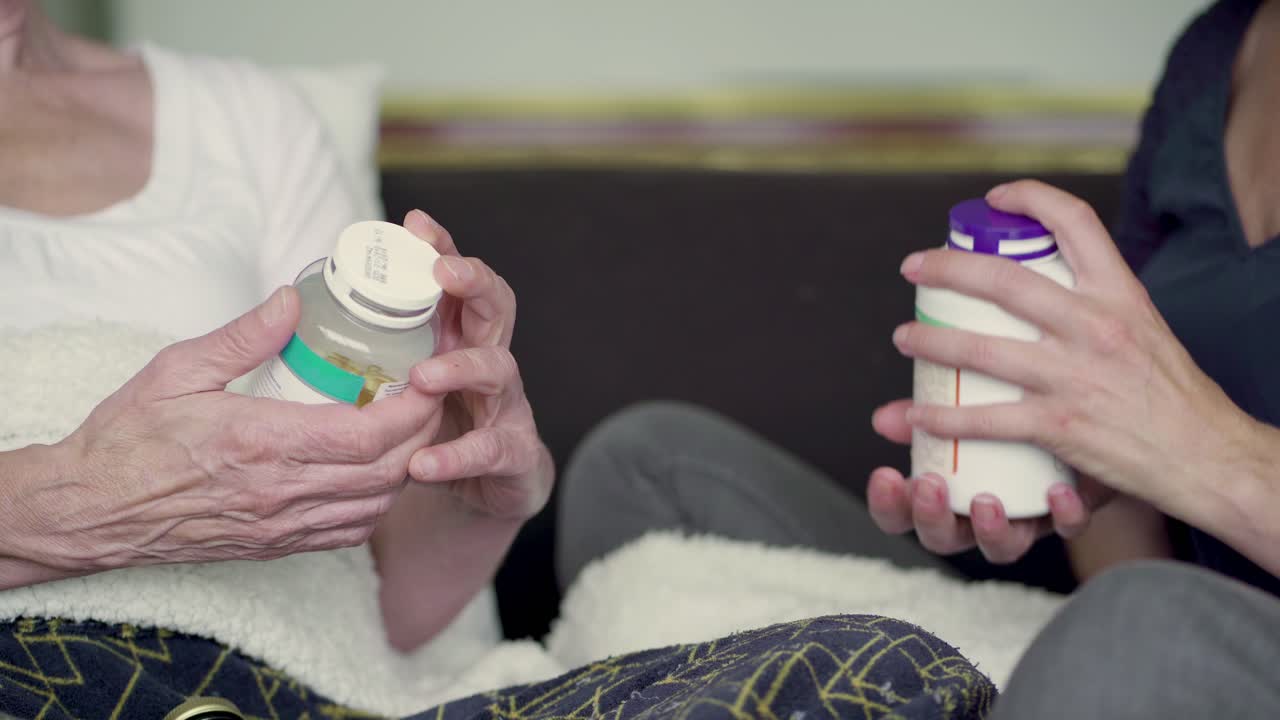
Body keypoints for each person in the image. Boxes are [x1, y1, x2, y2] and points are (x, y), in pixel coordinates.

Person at [558, 0, 1280, 716]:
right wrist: (1078, 465)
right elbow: (1131, 525)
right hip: (1142, 637)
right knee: (648, 471)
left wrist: (1208, 454)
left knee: (1135, 623)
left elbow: (1155, 542)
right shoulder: (1221, 48)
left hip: (1177, 633)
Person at [0, 0, 550, 697]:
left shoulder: (246, 119)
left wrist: (474, 496)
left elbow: (375, 608)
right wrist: (84, 502)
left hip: (274, 686)